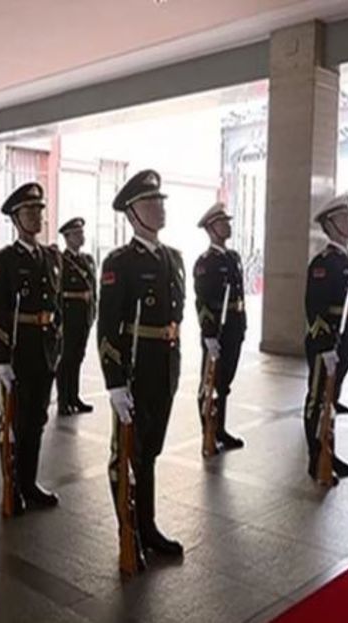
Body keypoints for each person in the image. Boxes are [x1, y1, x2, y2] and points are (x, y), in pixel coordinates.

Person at [99, 169, 185, 560]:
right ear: (132, 213)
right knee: (128, 454)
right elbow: (107, 327)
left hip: (166, 366)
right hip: (136, 368)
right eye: (151, 202)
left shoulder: (174, 259)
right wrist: (115, 383)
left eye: (160, 200)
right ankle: (129, 529)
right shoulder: (121, 262)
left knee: (149, 452)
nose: (159, 207)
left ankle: (147, 526)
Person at [0, 182, 64, 511]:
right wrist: (1, 359)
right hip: (20, 350)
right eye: (29, 211)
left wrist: (57, 340)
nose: (36, 216)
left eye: (39, 210)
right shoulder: (4, 260)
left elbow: (58, 305)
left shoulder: (51, 256)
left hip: (45, 350)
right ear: (15, 219)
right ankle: (13, 487)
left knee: (37, 420)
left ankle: (29, 483)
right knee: (16, 422)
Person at [303, 193, 348, 486]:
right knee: (318, 399)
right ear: (332, 224)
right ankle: (316, 458)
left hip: (346, 339)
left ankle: (330, 450)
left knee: (332, 399)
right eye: (345, 219)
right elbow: (315, 308)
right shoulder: (323, 263)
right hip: (326, 343)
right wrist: (326, 346)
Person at [193, 202, 246, 454]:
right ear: (211, 228)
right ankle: (208, 430)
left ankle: (220, 429)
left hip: (234, 325)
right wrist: (209, 335)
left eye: (227, 222)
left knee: (224, 383)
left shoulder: (233, 257)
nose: (227, 226)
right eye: (223, 223)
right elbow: (202, 302)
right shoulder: (206, 262)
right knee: (210, 382)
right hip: (218, 328)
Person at [55, 217, 96, 416]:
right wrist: (78, 295)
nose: (81, 237)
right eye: (77, 234)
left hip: (84, 318)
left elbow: (93, 288)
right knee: (66, 359)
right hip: (69, 318)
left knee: (78, 357)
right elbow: (57, 292)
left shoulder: (87, 260)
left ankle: (75, 397)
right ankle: (63, 400)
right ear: (67, 237)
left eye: (82, 233)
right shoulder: (62, 262)